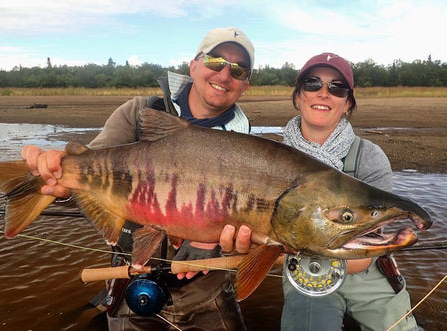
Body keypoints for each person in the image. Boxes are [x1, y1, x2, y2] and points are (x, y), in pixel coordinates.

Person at [22, 27, 255, 330]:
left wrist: (225, 245)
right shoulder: (139, 112)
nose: (225, 74)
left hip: (207, 293)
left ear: (245, 85)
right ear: (194, 66)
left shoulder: (244, 147)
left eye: (238, 70)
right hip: (132, 284)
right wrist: (59, 184)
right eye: (215, 61)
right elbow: (89, 175)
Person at [220, 52, 420, 330]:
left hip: (362, 268)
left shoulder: (370, 157)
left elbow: (365, 257)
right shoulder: (268, 158)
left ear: (348, 103)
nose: (323, 93)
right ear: (299, 96)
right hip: (304, 272)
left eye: (336, 88)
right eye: (312, 84)